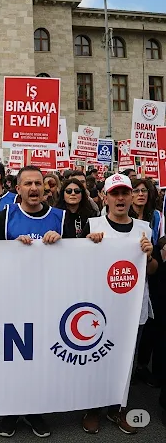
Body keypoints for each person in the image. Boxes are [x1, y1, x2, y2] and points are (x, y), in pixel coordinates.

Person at [0, 166, 69, 438]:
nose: (34, 188)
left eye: (38, 183)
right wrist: (12, 249)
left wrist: (62, 243)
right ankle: (12, 410)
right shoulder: (6, 216)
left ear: (45, 188)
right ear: (18, 189)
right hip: (13, 300)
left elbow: (77, 257)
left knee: (41, 358)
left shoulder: (60, 218)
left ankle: (35, 410)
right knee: (14, 357)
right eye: (28, 184)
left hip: (48, 300)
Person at [79, 173, 157, 435]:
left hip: (133, 309)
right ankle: (93, 408)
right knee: (97, 357)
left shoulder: (144, 229)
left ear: (132, 196)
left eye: (125, 193)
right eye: (115, 194)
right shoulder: (93, 226)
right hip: (101, 308)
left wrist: (149, 255)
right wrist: (88, 246)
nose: (121, 198)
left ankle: (118, 408)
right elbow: (78, 266)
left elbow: (152, 270)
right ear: (105, 197)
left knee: (126, 360)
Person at [129, 178, 165, 389]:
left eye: (144, 190)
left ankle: (141, 365)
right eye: (136, 190)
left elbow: (161, 240)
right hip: (129, 275)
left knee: (149, 324)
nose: (140, 194)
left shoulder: (156, 216)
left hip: (151, 272)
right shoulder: (121, 215)